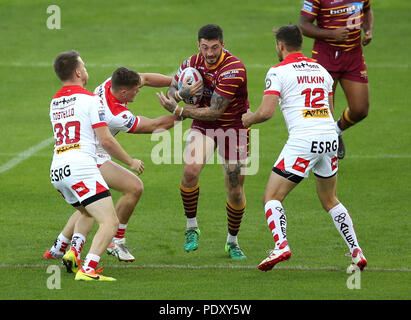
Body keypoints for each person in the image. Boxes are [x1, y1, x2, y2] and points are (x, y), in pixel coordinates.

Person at [241, 25, 367, 271]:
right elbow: (330, 113)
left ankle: (281, 246)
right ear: (301, 43)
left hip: (303, 140)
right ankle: (356, 251)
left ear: (280, 45)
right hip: (329, 137)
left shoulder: (278, 71)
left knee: (272, 197)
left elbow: (266, 112)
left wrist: (249, 119)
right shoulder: (322, 70)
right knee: (330, 199)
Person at [44, 67, 178, 264]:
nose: (139, 91)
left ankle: (59, 246)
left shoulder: (110, 83)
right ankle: (114, 242)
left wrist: (176, 81)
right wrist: (185, 113)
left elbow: (146, 78)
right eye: (135, 89)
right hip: (91, 156)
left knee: (87, 205)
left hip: (75, 152)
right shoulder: (116, 115)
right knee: (132, 187)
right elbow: (154, 126)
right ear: (124, 92)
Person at [157, 24, 250, 259]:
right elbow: (172, 88)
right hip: (203, 126)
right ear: (199, 45)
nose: (210, 53)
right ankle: (191, 227)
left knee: (235, 187)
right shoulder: (190, 62)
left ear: (223, 45)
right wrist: (180, 95)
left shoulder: (233, 69)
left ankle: (232, 241)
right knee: (190, 172)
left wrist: (179, 110)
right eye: (205, 47)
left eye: (215, 47)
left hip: (233, 126)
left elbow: (215, 112)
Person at [49, 50, 144, 281]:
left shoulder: (55, 101)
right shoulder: (91, 100)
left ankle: (72, 251)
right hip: (81, 166)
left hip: (58, 170)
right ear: (78, 72)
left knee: (86, 211)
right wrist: (130, 161)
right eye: (84, 65)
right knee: (109, 222)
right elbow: (105, 140)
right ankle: (88, 269)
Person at [299, 0, 373, 159]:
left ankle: (337, 130)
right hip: (325, 57)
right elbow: (303, 25)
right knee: (322, 113)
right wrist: (330, 34)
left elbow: (367, 10)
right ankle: (320, 158)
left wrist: (368, 30)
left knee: (360, 109)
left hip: (353, 57)